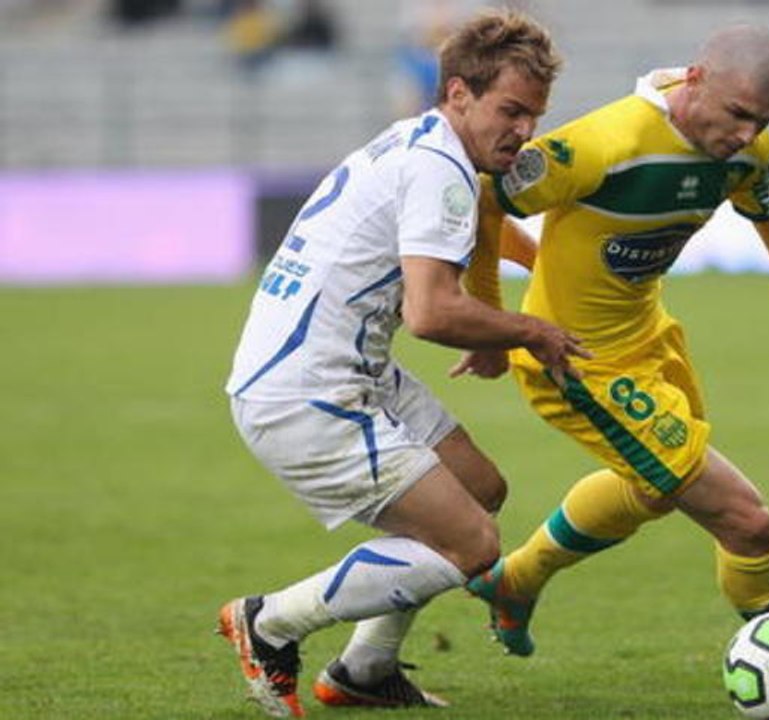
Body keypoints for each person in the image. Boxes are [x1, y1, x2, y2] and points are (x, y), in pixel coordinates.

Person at [460, 24, 769, 705]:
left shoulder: (748, 152)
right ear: (696, 80)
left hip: (651, 342)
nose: (747, 134)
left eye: (764, 122)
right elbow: (484, 199)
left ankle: (515, 582)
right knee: (746, 519)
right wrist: (493, 325)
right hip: (578, 365)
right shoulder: (604, 144)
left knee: (655, 490)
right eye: (738, 114)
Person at [216, 10, 579, 717]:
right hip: (306, 392)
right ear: (459, 93)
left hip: (344, 369)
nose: (525, 130)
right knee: (472, 546)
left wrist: (514, 296)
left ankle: (365, 670)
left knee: (478, 489)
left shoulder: (423, 142)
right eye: (511, 111)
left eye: (534, 115)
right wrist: (530, 331)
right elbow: (431, 312)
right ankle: (270, 623)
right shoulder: (439, 168)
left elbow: (465, 233)